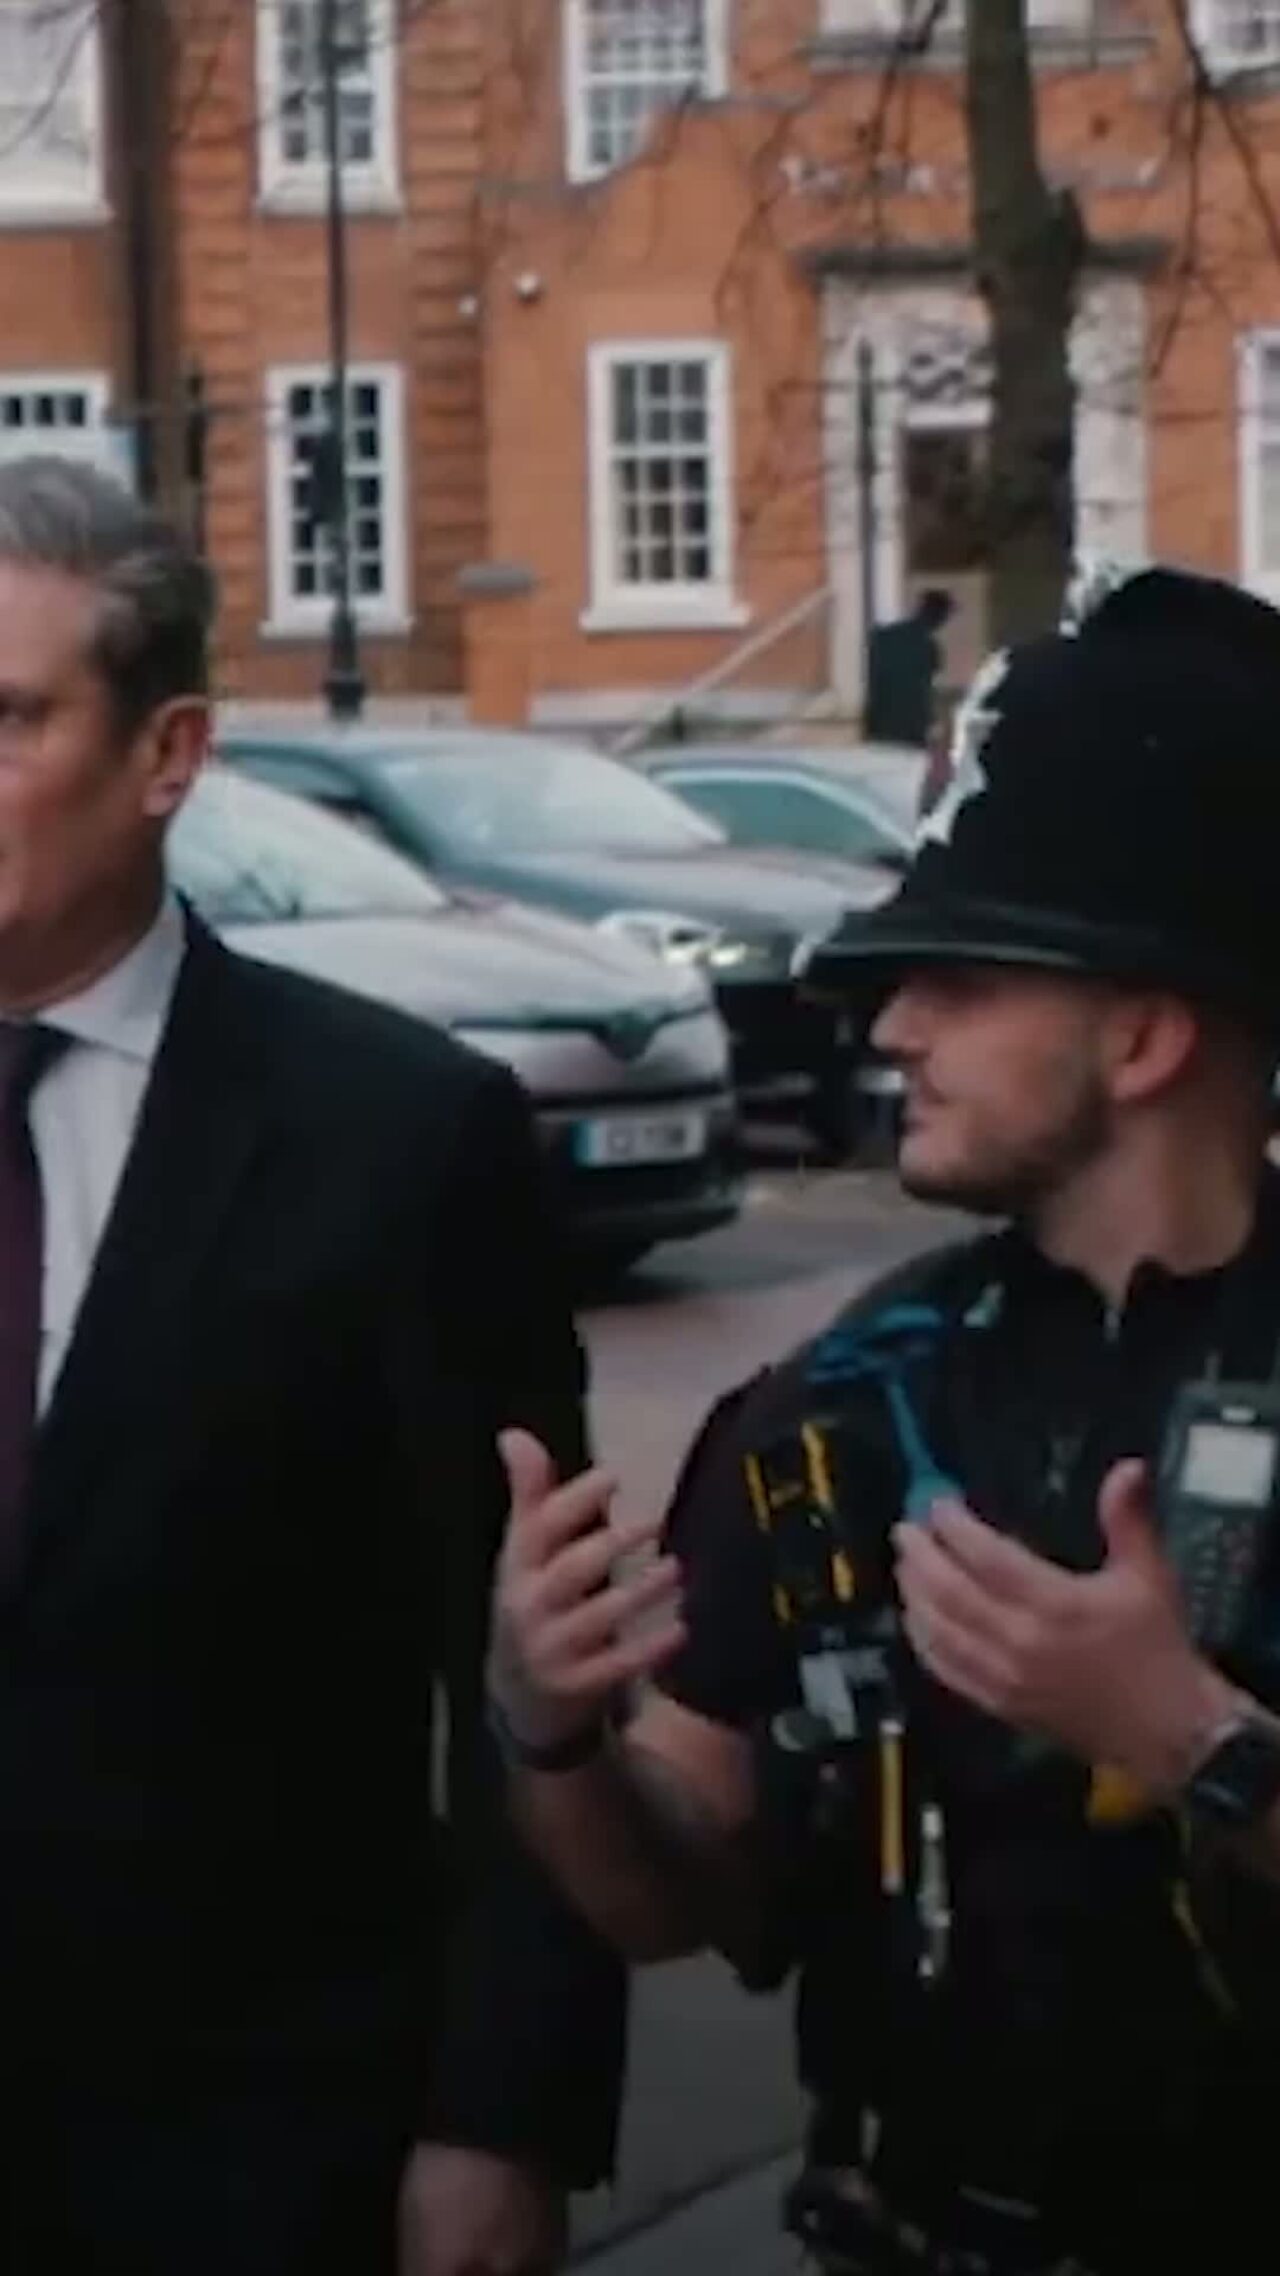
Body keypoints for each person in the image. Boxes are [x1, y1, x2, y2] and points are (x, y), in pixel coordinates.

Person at [489, 564, 1280, 2273]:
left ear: (1144, 1031)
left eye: (960, 978)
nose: (890, 1024)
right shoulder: (842, 1407)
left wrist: (1194, 1744)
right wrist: (553, 1739)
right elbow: (682, 1888)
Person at [0, 455, 623, 2275]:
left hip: (245, 2139)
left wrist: (501, 2113)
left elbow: (521, 1663)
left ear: (168, 754)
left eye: (9, 718)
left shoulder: (397, 1138)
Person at [864, 587, 954, 750]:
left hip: (880, 721)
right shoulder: (929, 648)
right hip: (911, 727)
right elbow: (927, 689)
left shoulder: (883, 636)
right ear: (939, 616)